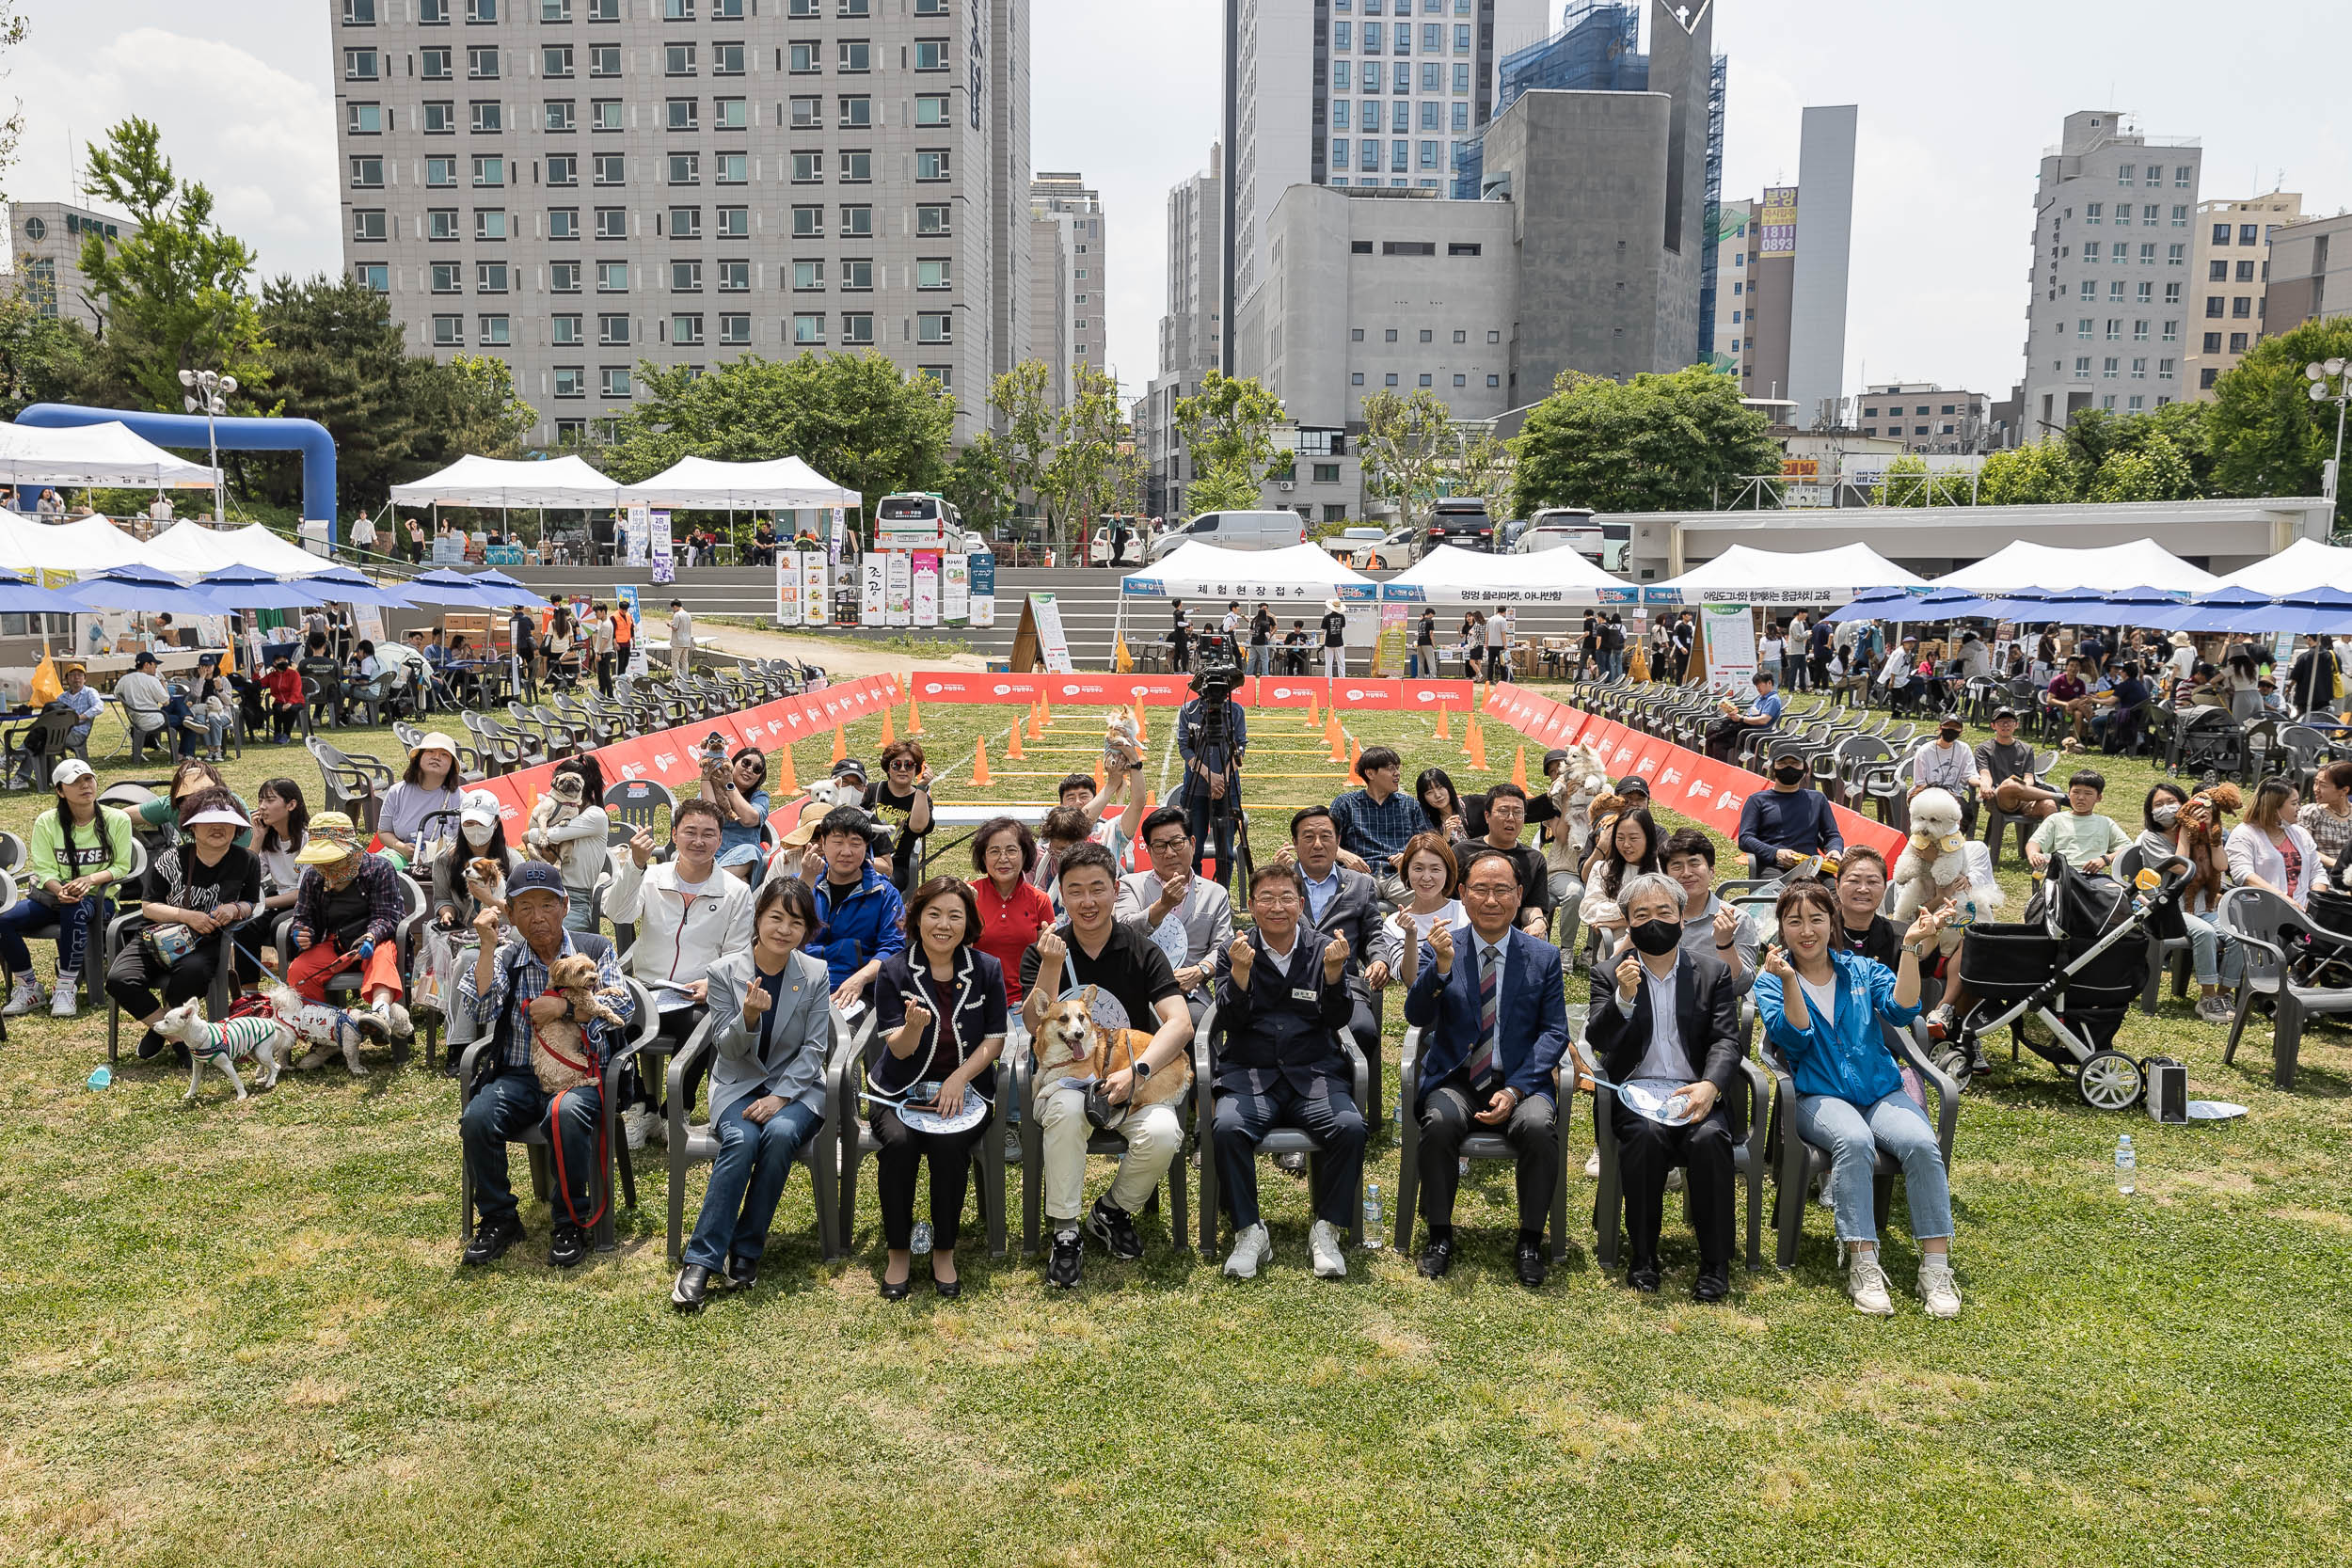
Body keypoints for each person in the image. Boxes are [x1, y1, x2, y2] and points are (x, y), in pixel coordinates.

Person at [1755, 879, 1961, 1318]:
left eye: (1816, 919)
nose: (1806, 930)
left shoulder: (1861, 970)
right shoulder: (1771, 981)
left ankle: (1936, 1268)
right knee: (1854, 1141)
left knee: (1922, 1144)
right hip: (1818, 1096)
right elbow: (1794, 1036)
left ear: (1833, 923)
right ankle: (1863, 1262)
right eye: (1794, 922)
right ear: (1782, 928)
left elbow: (1904, 1009)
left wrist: (1909, 948)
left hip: (1879, 1090)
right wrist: (1790, 981)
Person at [1018, 843, 1195, 1289]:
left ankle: (1110, 1211)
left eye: (1097, 888)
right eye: (1075, 890)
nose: (1087, 901)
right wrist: (1052, 965)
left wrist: (1138, 1073)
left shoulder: (1142, 951)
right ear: (1061, 893)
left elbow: (1180, 1023)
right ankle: (1066, 1231)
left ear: (1116, 890)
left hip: (1129, 1083)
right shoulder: (1044, 949)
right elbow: (1031, 1023)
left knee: (1163, 1133)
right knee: (1065, 1110)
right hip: (1064, 1084)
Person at [457, 861, 639, 1271]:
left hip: (580, 1074)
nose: (537, 916)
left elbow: (623, 1005)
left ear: (565, 905)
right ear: (510, 914)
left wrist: (566, 1007)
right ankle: (500, 1217)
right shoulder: (506, 956)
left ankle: (571, 1220)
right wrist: (486, 947)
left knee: (565, 1113)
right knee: (478, 1118)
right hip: (519, 1074)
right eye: (524, 907)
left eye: (546, 904)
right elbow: (479, 1005)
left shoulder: (594, 949)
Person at [1402, 847, 1571, 1285]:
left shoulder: (1542, 957)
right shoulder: (1443, 944)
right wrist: (1439, 969)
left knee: (1537, 1128)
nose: (1491, 900)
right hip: (1457, 1078)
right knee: (1437, 1123)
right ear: (1463, 893)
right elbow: (1417, 1016)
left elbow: (1554, 1033)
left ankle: (1531, 1238)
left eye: (1502, 890)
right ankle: (1439, 1233)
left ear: (1519, 895)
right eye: (1480, 889)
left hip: (1521, 1083)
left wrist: (1515, 1090)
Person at [1584, 871, 1744, 1300]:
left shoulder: (1711, 972)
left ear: (1680, 916)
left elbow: (1727, 1039)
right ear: (1628, 922)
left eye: (1663, 912)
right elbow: (1599, 1041)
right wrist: (1623, 997)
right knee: (1645, 1139)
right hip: (1637, 1095)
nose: (1654, 921)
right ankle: (1643, 1254)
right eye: (1642, 914)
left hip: (1695, 1093)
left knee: (1711, 1139)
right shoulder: (1609, 973)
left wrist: (1710, 1086)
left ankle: (1714, 1262)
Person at [1209, 863, 1365, 1281]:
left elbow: (1339, 1018)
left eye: (1285, 898)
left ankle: (1326, 1227)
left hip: (1313, 1074)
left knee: (1350, 1127)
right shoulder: (1233, 950)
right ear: (1251, 906)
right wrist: (1239, 976)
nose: (1277, 907)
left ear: (1300, 903)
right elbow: (1230, 1021)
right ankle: (1249, 1230)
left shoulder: (1323, 948)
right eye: (1266, 899)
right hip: (1250, 1073)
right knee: (1226, 1128)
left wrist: (1334, 976)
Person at [868, 878, 1007, 1300]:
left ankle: (944, 1248)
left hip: (965, 1090)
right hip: (900, 1090)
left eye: (955, 915)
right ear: (917, 917)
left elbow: (996, 1038)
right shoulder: (893, 970)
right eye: (934, 914)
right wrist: (912, 1027)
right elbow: (900, 1050)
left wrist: (959, 1077)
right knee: (898, 1143)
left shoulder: (986, 969)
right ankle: (898, 1251)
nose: (943, 924)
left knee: (950, 1148)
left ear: (968, 923)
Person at [610, 797, 756, 1145]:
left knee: (701, 1027)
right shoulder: (652, 877)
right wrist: (634, 865)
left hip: (697, 992)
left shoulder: (735, 891)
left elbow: (739, 953)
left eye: (709, 834)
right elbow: (618, 912)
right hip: (648, 987)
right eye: (690, 832)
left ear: (721, 840)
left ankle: (676, 1109)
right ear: (674, 835)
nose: (699, 841)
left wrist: (711, 983)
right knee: (617, 1021)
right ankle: (640, 1107)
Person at [107, 789, 263, 1064]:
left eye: (226, 822)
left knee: (192, 973)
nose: (218, 828)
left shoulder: (246, 860)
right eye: (208, 822)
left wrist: (235, 908)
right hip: (157, 934)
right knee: (119, 979)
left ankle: (159, 1030)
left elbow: (252, 901)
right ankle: (175, 1038)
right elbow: (149, 906)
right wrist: (187, 916)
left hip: (207, 941)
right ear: (191, 826)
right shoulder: (170, 859)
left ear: (238, 827)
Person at [1279, 805, 1400, 1116]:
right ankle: (1301, 1109)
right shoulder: (1281, 883)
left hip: (1344, 984)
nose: (1317, 844)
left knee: (1362, 1029)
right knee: (1285, 1030)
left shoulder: (1359, 885)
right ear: (1294, 843)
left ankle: (1340, 1101)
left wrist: (1380, 960)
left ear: (1338, 841)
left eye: (1325, 836)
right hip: (1290, 985)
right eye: (1308, 837)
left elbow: (1374, 934)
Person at [0, 760, 135, 1020]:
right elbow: (43, 867)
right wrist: (57, 888)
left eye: (89, 779)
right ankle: (29, 986)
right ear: (60, 791)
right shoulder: (47, 822)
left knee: (74, 907)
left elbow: (121, 866)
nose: (86, 785)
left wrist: (90, 880)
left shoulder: (116, 819)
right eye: (76, 782)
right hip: (51, 897)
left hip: (98, 899)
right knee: (4, 920)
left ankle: (66, 986)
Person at [287, 811, 413, 1043]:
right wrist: (302, 932)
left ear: (351, 849)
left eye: (332, 859)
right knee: (299, 970)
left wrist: (371, 937)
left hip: (373, 942)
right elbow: (303, 916)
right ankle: (323, 1034)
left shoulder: (379, 869)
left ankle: (380, 1014)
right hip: (334, 943)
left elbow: (387, 916)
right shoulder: (313, 877)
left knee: (383, 957)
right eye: (322, 860)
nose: (326, 866)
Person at [1113, 805, 1233, 1027]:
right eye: (1159, 846)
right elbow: (1123, 932)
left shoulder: (1215, 893)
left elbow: (1223, 947)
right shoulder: (1132, 885)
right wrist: (1163, 905)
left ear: (1193, 844)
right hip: (1139, 988)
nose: (1169, 853)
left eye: (1177, 843)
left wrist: (1200, 971)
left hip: (1190, 991)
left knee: (1196, 1022)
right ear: (1148, 850)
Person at [2135, 783, 2241, 1022]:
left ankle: (2223, 994)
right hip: (2168, 909)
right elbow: (2185, 869)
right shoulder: (2151, 839)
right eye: (2158, 805)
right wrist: (2185, 831)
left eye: (2171, 802)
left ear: (2186, 803)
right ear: (2150, 812)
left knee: (2237, 934)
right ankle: (2207, 997)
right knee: (2204, 932)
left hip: (2204, 906)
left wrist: (2214, 830)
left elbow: (2222, 866)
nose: (2166, 808)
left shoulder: (2205, 833)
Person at [796, 804, 907, 1011]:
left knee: (841, 1037)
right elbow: (781, 932)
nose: (846, 852)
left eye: (855, 843)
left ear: (867, 847)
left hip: (856, 992)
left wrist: (860, 979)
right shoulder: (803, 882)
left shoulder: (885, 894)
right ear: (823, 843)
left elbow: (892, 948)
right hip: (798, 986)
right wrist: (805, 884)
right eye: (837, 842)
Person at [967, 816, 1055, 1009]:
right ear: (983, 857)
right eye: (994, 851)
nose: (1003, 859)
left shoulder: (1039, 900)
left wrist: (1032, 1003)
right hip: (974, 1001)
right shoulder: (967, 895)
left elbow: (1046, 962)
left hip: (1022, 1004)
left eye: (1011, 850)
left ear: (1025, 856)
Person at [1660, 828, 1762, 989]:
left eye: (1694, 864)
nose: (1686, 873)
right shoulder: (1655, 917)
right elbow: (1613, 972)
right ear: (1666, 876)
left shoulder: (1736, 919)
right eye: (1677, 866)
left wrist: (1725, 943)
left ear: (1711, 871)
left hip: (1710, 1007)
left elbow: (1743, 985)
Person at [1450, 783, 1550, 936]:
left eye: (1518, 812)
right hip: (1465, 931)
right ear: (1487, 816)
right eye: (1503, 811)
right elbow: (1448, 900)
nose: (1511, 818)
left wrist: (1538, 921)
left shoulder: (1534, 860)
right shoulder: (1461, 852)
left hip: (1511, 936)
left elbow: (1531, 906)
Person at [1176, 673, 1248, 886]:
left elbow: (1240, 747)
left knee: (1226, 850)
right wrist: (1210, 776)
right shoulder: (1188, 710)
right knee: (1193, 848)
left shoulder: (1235, 711)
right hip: (1195, 789)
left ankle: (1222, 897)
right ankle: (1194, 896)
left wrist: (1223, 778)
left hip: (1228, 790)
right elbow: (1185, 748)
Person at [1736, 740, 1844, 878]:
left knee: (1833, 895)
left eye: (1794, 764)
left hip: (1812, 866)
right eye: (1782, 764)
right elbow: (1745, 839)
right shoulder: (1757, 800)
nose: (1789, 768)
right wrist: (1776, 853)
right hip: (1774, 867)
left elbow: (1832, 835)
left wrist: (1835, 849)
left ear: (1804, 768)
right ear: (1773, 769)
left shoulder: (1817, 799)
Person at [1329, 745, 1420, 901]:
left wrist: (1409, 856)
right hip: (1361, 874)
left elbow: (1429, 841)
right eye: (1391, 768)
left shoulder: (1410, 805)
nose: (1397, 773)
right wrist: (1343, 855)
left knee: (1427, 896)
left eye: (1397, 768)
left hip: (1401, 876)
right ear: (1370, 773)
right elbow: (1324, 840)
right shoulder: (1345, 804)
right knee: (1350, 899)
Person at [2227, 775, 2320, 909]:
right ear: (2274, 807)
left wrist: (2315, 901)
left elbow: (2317, 872)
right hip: (2264, 910)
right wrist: (2283, 898)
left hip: (2305, 910)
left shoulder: (2300, 833)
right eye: (2294, 804)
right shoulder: (2244, 834)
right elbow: (2244, 874)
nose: (2299, 808)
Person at [376, 732, 464, 871]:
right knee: (379, 868)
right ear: (419, 758)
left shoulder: (460, 798)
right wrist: (402, 848)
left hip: (442, 864)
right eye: (430, 751)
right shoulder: (396, 792)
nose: (436, 757)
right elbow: (384, 832)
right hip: (401, 857)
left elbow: (462, 843)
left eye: (444, 754)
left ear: (452, 765)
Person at [1579, 806, 1664, 943]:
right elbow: (1588, 909)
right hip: (1615, 948)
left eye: (1633, 838)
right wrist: (1630, 915)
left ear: (1648, 838)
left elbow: (1667, 914)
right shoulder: (1603, 868)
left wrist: (1619, 922)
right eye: (1620, 838)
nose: (1626, 845)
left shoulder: (1663, 870)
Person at [2026, 769, 2130, 880]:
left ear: (2099, 798)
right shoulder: (2056, 820)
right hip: (2063, 876)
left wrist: (2106, 859)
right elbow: (2034, 842)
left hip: (2095, 877)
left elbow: (2128, 848)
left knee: (2115, 892)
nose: (2081, 797)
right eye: (2076, 792)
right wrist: (2034, 854)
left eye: (2088, 793)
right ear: (2069, 794)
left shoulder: (2105, 823)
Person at [863, 740, 934, 891]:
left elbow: (917, 827)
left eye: (909, 765)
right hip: (864, 858)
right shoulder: (872, 790)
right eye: (896, 764)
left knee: (879, 886)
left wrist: (922, 787)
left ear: (916, 769)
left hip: (897, 866)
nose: (903, 769)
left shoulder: (921, 798)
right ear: (888, 768)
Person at [1972, 707, 2061, 826]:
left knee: (2049, 805)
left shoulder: (2027, 749)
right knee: (2009, 784)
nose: (2005, 725)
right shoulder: (1983, 749)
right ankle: (2061, 797)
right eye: (2000, 722)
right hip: (1997, 797)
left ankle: (2044, 843)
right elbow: (1985, 774)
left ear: (2016, 725)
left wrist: (2022, 789)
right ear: (1993, 726)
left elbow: (2029, 778)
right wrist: (1986, 786)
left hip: (2023, 798)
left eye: (2009, 721)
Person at [1386, 832, 1463, 957]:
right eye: (1418, 869)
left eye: (1435, 869)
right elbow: (1409, 976)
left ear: (1448, 872)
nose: (1426, 878)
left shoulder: (1466, 913)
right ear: (1406, 871)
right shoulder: (1394, 924)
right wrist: (1410, 936)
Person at [1829, 846, 1903, 969]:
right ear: (1837, 886)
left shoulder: (1901, 936)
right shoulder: (1818, 932)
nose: (1863, 889)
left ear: (1885, 887)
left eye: (1872, 882)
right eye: (1853, 881)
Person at [1905, 713, 1978, 832]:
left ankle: (1953, 842)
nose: (1951, 730)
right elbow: (1920, 782)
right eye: (1947, 727)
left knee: (1964, 812)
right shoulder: (1925, 751)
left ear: (1961, 732)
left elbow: (1969, 775)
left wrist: (1982, 783)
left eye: (1955, 728)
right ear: (1940, 728)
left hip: (1953, 794)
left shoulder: (1964, 749)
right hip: (1926, 792)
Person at [705, 745, 773, 862]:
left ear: (759, 778)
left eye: (757, 769)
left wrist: (729, 786)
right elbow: (706, 817)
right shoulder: (713, 789)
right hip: (712, 855)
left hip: (743, 858)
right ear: (733, 763)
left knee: (750, 851)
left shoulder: (760, 797)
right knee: (743, 880)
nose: (750, 770)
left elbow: (749, 819)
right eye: (746, 763)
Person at [1705, 669, 1782, 762]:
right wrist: (1735, 714)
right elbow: (1750, 714)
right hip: (1745, 730)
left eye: (1759, 685)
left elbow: (1764, 720)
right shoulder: (1760, 699)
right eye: (1756, 685)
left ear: (1769, 683)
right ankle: (1712, 767)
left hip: (1753, 735)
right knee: (1712, 738)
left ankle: (1721, 771)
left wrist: (1741, 719)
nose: (1758, 688)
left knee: (1717, 743)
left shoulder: (1773, 700)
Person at [2299, 759, 2352, 882]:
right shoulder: (2310, 812)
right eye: (2315, 783)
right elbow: (2305, 848)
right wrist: (2339, 865)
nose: (2316, 789)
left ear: (2344, 790)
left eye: (2322, 785)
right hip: (2322, 874)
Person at [114, 650, 174, 755]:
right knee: (182, 718)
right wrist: (163, 682)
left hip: (136, 720)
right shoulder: (152, 680)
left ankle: (188, 717)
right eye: (155, 665)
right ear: (147, 665)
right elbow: (166, 702)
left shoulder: (124, 679)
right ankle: (184, 753)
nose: (156, 668)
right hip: (155, 721)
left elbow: (117, 695)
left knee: (180, 710)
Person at [2287, 635, 2340, 715]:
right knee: (2321, 720)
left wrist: (2289, 686)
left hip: (2305, 697)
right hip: (2324, 696)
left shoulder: (2304, 657)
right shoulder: (2329, 656)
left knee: (2303, 720)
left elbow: (2295, 676)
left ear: (2309, 638)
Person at [259, 655, 305, 743]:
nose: (283, 662)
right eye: (280, 660)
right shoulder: (272, 676)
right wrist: (257, 672)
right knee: (277, 709)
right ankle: (277, 733)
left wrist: (290, 702)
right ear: (274, 663)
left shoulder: (294, 674)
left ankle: (286, 734)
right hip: (280, 701)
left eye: (285, 660)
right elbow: (259, 684)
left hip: (297, 701)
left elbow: (296, 690)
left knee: (292, 709)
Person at [1415, 768, 1468, 838]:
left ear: (1448, 787)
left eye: (1440, 788)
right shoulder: (1427, 825)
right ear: (1423, 798)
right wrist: (1445, 836)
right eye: (1429, 792)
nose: (1437, 795)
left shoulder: (1471, 804)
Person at [1319, 596, 1349, 679]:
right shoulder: (1342, 617)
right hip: (1339, 642)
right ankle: (1342, 679)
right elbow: (1342, 627)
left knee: (1328, 663)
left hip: (1328, 643)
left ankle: (1328, 681)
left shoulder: (1326, 617)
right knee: (1341, 662)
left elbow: (1322, 631)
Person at [1483, 602, 1511, 681]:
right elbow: (1503, 634)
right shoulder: (1502, 620)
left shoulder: (1490, 619)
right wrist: (1505, 645)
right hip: (1500, 645)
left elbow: (1487, 633)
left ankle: (1490, 679)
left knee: (1490, 664)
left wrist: (1486, 643)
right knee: (1502, 663)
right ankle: (1503, 680)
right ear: (1504, 612)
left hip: (1491, 645)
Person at [1248, 600, 1276, 676]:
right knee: (1265, 658)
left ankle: (1248, 674)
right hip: (1261, 643)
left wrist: (1255, 633)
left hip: (1253, 642)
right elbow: (1267, 634)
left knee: (1251, 659)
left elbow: (1250, 631)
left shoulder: (1254, 621)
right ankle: (1265, 674)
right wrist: (1269, 636)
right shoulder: (1265, 622)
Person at [1409, 607, 1438, 679]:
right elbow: (1431, 633)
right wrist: (1433, 644)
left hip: (1420, 643)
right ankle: (1433, 677)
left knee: (1420, 662)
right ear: (1430, 614)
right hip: (1427, 643)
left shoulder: (1420, 622)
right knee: (1431, 661)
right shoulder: (1430, 621)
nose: (1433, 617)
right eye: (1433, 615)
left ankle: (1420, 677)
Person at [667, 598, 693, 676]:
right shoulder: (688, 614)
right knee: (684, 661)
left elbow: (675, 628)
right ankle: (685, 678)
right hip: (687, 641)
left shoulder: (677, 615)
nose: (673, 610)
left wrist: (669, 624)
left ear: (675, 606)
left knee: (675, 661)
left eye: (673, 608)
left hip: (678, 642)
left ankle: (675, 678)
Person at [1168, 599, 1191, 673]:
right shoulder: (1178, 614)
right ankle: (1184, 670)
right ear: (1179, 604)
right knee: (1184, 653)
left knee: (1177, 653)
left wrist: (1194, 609)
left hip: (1177, 635)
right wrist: (1187, 624)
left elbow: (1185, 612)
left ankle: (1176, 671)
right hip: (1181, 635)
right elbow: (1179, 624)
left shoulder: (1176, 613)